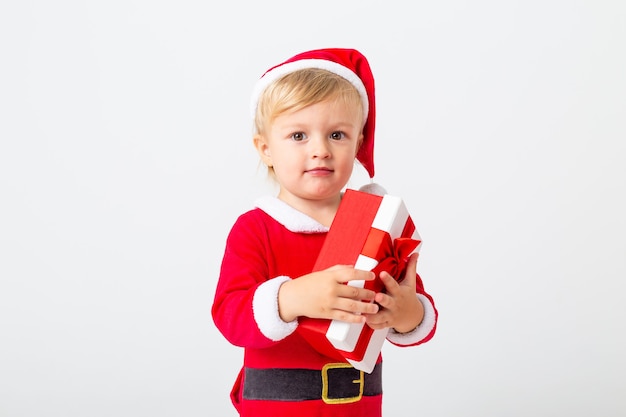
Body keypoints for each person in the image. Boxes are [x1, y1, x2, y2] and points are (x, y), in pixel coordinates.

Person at [211, 48, 438, 417]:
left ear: (358, 142)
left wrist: (406, 312)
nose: (320, 150)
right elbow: (229, 315)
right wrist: (291, 299)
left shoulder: (375, 221)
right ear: (266, 148)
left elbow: (417, 313)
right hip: (277, 409)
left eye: (337, 134)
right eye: (298, 135)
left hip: (360, 407)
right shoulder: (256, 228)